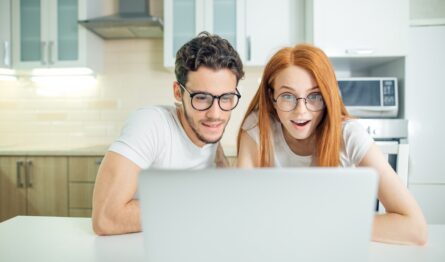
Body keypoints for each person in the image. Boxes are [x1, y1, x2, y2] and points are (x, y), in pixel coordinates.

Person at [236, 44, 428, 245]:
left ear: (327, 97)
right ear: (271, 98)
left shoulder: (348, 134)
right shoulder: (257, 127)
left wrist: (321, 223)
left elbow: (415, 228)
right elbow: (241, 214)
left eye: (315, 96)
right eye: (287, 96)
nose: (301, 111)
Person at [92, 32, 244, 235]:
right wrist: (199, 204)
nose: (215, 114)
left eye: (226, 98)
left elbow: (221, 182)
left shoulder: (208, 127)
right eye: (201, 97)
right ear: (177, 92)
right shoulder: (151, 123)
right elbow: (105, 218)